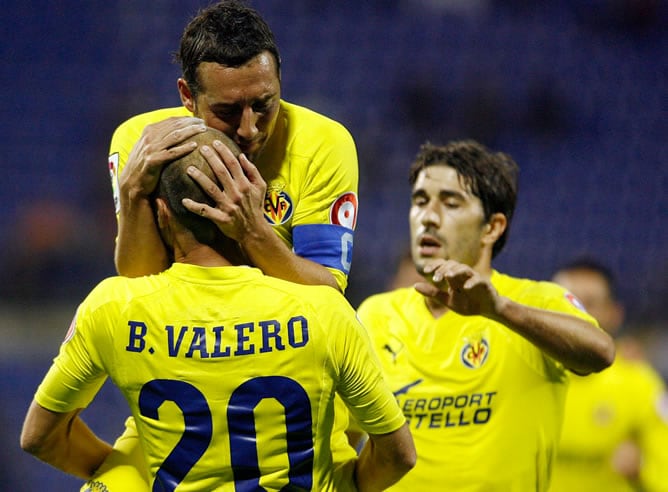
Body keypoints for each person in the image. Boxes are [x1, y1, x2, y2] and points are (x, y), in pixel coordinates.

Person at [21, 128, 415, 492]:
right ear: (251, 205)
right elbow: (398, 454)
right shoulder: (323, 309)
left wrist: (128, 472)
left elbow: (39, 437)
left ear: (162, 213)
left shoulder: (112, 307)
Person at [101, 1, 359, 489]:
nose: (249, 129)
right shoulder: (138, 140)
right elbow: (136, 280)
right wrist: (136, 191)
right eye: (226, 111)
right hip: (184, 378)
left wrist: (253, 232)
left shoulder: (324, 144)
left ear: (281, 81)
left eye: (264, 104)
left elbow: (329, 292)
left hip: (289, 392)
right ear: (187, 96)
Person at [350, 140, 616, 491]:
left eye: (450, 202)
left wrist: (500, 310)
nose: (428, 216)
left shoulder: (532, 301)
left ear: (492, 227)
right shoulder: (377, 313)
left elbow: (600, 353)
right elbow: (345, 435)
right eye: (419, 201)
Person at [549, 258, 668, 492]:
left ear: (614, 314)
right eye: (566, 300)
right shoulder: (524, 373)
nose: (576, 313)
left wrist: (642, 467)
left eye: (590, 303)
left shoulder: (640, 384)